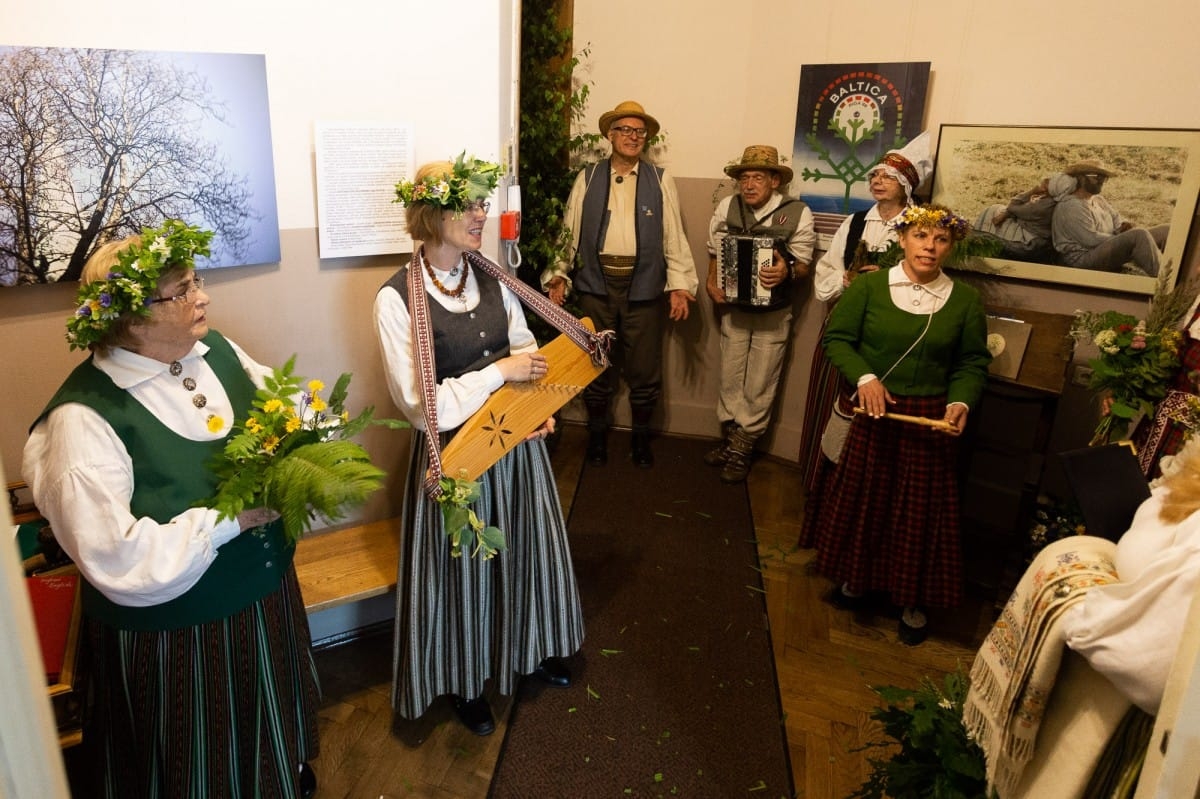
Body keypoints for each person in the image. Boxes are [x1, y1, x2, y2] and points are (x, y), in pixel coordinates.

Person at [22, 220, 320, 798]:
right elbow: (117, 559)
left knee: (269, 728)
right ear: (131, 319)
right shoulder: (82, 422)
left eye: (196, 281)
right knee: (197, 766)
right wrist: (234, 520)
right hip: (178, 643)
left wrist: (316, 428)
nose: (202, 297)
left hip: (264, 602)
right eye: (181, 291)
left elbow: (281, 405)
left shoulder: (216, 351)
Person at [376, 156, 585, 737]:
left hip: (516, 450)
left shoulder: (493, 278)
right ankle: (466, 682)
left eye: (481, 202)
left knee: (527, 554)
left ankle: (531, 650)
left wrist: (538, 408)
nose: (479, 214)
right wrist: (501, 375)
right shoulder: (396, 300)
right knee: (463, 572)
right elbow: (425, 408)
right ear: (430, 212)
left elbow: (527, 351)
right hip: (457, 459)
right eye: (465, 204)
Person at [799, 203, 992, 645]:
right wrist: (864, 378)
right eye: (921, 237)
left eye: (940, 239)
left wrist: (961, 401)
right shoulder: (869, 287)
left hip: (927, 418)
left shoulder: (964, 301)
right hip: (873, 413)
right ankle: (856, 579)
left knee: (917, 514)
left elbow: (971, 362)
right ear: (903, 239)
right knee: (867, 502)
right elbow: (838, 339)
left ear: (950, 246)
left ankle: (912, 598)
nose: (930, 247)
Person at [541, 99, 699, 468]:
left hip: (643, 289)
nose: (632, 137)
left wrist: (679, 285)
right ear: (610, 135)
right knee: (595, 364)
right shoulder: (589, 176)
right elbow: (570, 229)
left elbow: (673, 235)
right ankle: (597, 438)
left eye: (639, 132)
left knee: (645, 370)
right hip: (597, 286)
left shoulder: (661, 180)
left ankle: (640, 443)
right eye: (625, 130)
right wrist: (560, 273)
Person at [797, 133, 930, 492]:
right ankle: (821, 486)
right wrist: (845, 280)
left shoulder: (921, 226)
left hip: (891, 334)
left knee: (878, 413)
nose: (876, 182)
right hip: (844, 323)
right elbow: (826, 270)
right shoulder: (856, 222)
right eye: (874, 176)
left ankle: (863, 493)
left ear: (905, 184)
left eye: (886, 177)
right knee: (832, 401)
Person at [703, 145, 814, 482]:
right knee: (731, 373)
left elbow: (804, 265)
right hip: (734, 309)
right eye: (744, 178)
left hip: (774, 312)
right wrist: (711, 283)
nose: (749, 185)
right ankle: (731, 436)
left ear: (775, 180)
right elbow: (713, 250)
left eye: (757, 178)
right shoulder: (727, 206)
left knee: (762, 378)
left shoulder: (798, 212)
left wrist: (786, 272)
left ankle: (743, 445)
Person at [1052, 159, 1170, 276]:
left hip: (1102, 249)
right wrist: (1123, 237)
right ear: (1081, 178)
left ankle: (1174, 271)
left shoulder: (1098, 200)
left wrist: (1124, 227)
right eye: (1096, 176)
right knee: (1139, 235)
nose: (1101, 181)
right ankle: (1165, 282)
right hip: (1081, 260)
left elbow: (1117, 220)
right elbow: (1090, 240)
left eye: (1104, 177)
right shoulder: (1071, 205)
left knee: (1167, 230)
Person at [973, 175, 1059, 261]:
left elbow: (1013, 206)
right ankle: (980, 246)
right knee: (996, 210)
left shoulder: (1044, 206)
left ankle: (981, 249)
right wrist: (1007, 213)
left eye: (1043, 184)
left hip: (1029, 236)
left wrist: (1032, 191)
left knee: (992, 211)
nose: (1040, 185)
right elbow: (1016, 210)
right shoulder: (1048, 200)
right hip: (1029, 227)